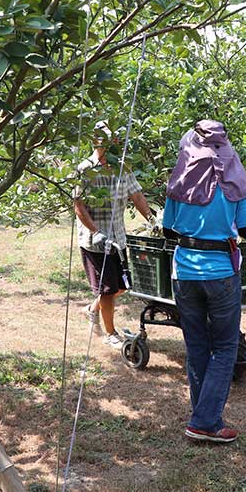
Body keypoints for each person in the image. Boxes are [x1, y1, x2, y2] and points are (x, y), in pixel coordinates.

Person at [162, 119, 246, 444]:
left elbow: (168, 231)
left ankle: (205, 419)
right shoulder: (235, 181)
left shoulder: (179, 182)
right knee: (224, 346)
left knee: (197, 345)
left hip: (185, 273)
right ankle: (204, 422)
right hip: (221, 272)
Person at [74, 121, 156, 348]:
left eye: (109, 141)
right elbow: (78, 206)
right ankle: (111, 333)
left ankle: (91, 310)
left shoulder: (123, 167)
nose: (106, 145)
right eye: (101, 141)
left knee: (121, 286)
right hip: (95, 242)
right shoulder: (85, 169)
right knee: (107, 290)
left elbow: (137, 196)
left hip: (118, 240)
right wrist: (96, 232)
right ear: (94, 142)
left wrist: (152, 220)